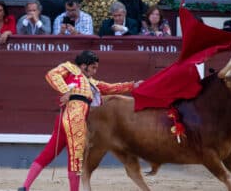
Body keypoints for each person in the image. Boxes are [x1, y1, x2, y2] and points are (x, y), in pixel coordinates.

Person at [18, 50, 142, 191]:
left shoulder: (91, 83)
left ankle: (24, 187)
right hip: (74, 118)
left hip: (65, 118)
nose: (95, 71)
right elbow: (52, 74)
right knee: (75, 159)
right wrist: (66, 91)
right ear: (83, 66)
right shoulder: (71, 69)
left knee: (49, 153)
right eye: (93, 67)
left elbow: (109, 87)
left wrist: (133, 85)